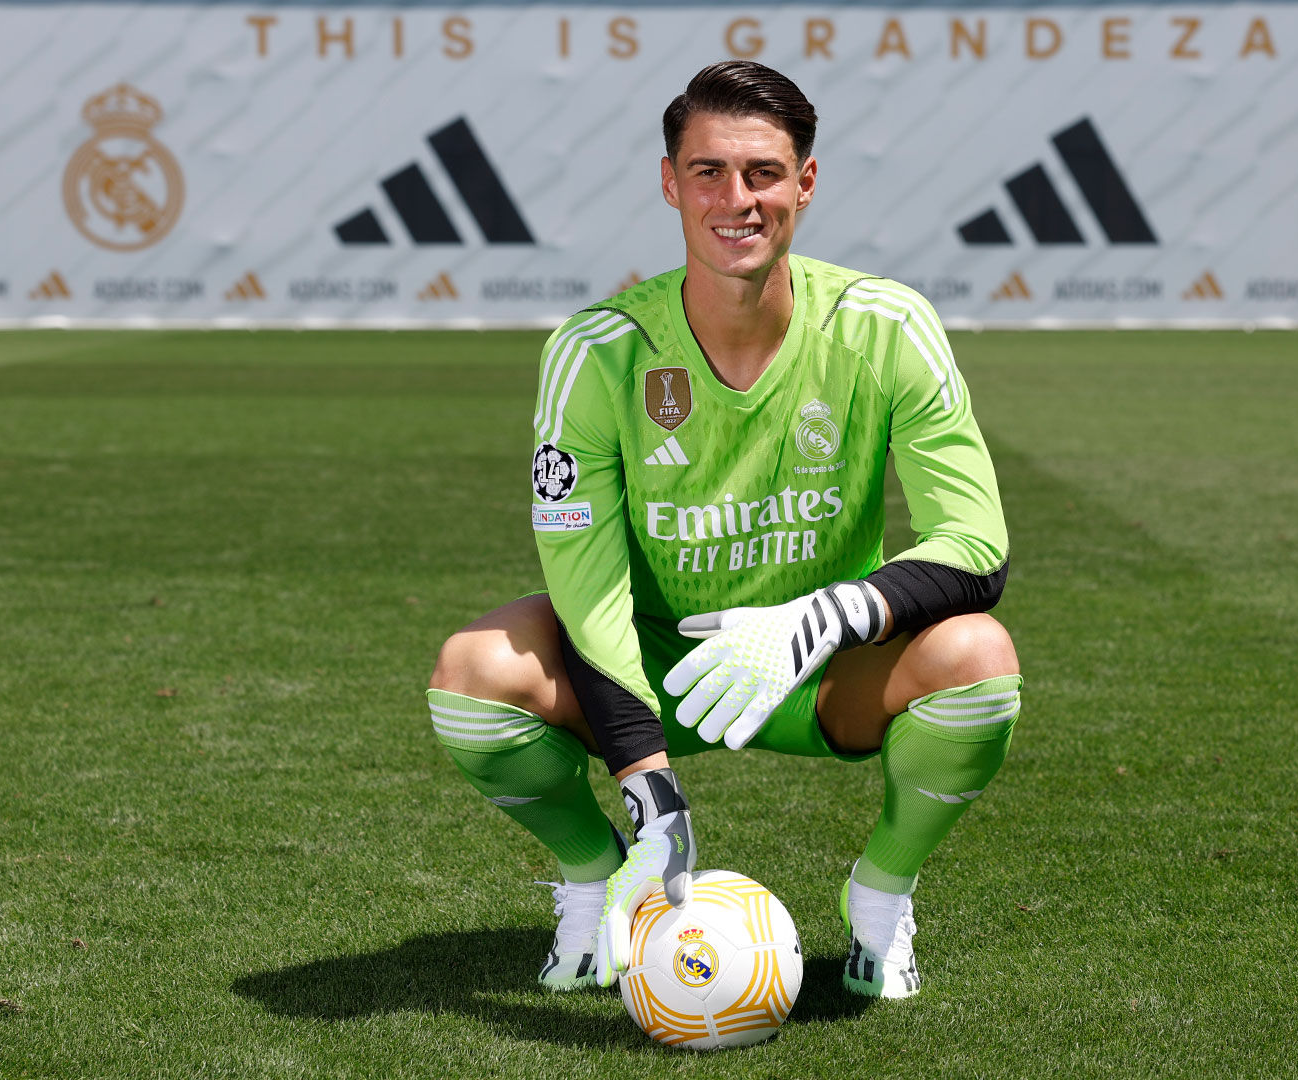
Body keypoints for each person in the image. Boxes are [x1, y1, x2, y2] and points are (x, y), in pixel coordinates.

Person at [427, 60, 1019, 1000]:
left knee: (978, 660)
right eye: (707, 172)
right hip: (654, 659)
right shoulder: (596, 353)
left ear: (805, 184)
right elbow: (587, 585)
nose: (735, 199)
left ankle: (881, 897)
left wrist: (821, 619)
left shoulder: (887, 325)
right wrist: (647, 785)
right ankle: (592, 878)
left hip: (821, 665)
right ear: (670, 183)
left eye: (762, 173)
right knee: (475, 675)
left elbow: (977, 545)